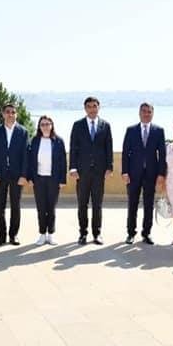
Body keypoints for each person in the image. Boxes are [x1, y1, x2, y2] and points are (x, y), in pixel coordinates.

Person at [69, 96, 113, 245]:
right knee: (82, 204)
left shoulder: (105, 125)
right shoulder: (78, 125)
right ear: (85, 108)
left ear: (99, 107)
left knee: (97, 204)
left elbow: (108, 147)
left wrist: (109, 166)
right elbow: (73, 147)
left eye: (94, 106)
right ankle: (83, 233)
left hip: (99, 172)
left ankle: (97, 233)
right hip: (82, 172)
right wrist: (73, 168)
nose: (92, 109)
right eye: (89, 106)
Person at [121, 103, 167, 245]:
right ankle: (131, 233)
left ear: (152, 113)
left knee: (149, 204)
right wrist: (125, 171)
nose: (146, 114)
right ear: (139, 113)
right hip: (133, 174)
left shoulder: (158, 130)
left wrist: (161, 174)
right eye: (144, 111)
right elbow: (125, 153)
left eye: (149, 112)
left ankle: (146, 233)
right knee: (132, 204)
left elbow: (162, 154)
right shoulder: (131, 130)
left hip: (151, 174)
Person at [0, 103, 29, 246]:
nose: (10, 114)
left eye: (13, 112)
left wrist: (23, 175)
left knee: (15, 206)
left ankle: (13, 235)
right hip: (0, 175)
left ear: (16, 114)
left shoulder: (23, 131)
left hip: (17, 175)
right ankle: (1, 235)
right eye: (7, 112)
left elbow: (25, 155)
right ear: (3, 114)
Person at [27, 116, 67, 245]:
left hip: (53, 179)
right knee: (41, 207)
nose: (45, 126)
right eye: (42, 124)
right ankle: (42, 234)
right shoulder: (35, 141)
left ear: (52, 125)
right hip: (38, 179)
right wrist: (30, 177)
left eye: (47, 124)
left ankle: (51, 234)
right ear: (39, 127)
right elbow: (30, 161)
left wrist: (62, 180)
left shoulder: (58, 141)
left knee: (51, 208)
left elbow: (63, 161)